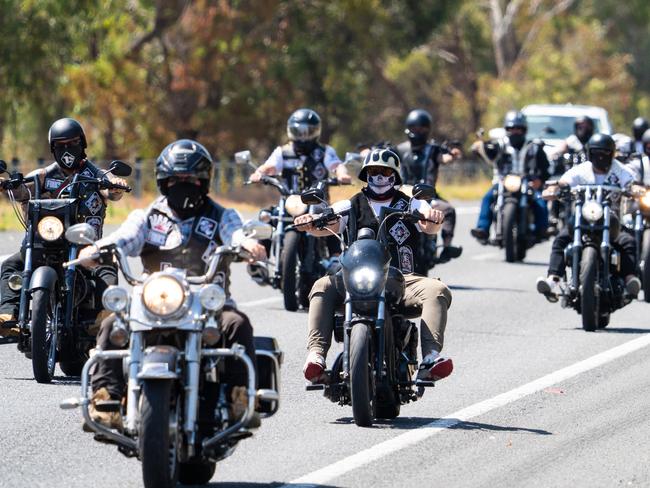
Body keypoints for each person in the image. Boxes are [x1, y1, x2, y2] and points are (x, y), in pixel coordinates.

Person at [77, 139, 267, 429]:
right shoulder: (147, 217)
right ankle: (106, 400)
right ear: (164, 182)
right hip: (154, 303)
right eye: (175, 179)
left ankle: (239, 398)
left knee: (237, 324)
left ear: (203, 181)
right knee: (111, 325)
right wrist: (97, 248)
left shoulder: (221, 215)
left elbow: (235, 235)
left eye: (190, 178)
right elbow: (124, 238)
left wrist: (248, 244)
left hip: (206, 306)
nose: (183, 184)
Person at [293, 148, 454, 384]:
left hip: (401, 279)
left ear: (394, 175)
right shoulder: (350, 205)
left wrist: (434, 218)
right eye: (373, 171)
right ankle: (316, 356)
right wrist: (308, 222)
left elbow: (429, 224)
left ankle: (430, 357)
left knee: (437, 290)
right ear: (365, 174)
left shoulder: (410, 204)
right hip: (356, 278)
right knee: (320, 287)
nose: (379, 176)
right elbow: (326, 224)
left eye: (384, 171)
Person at [0, 117, 128, 337]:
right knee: (11, 265)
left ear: (83, 144)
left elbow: (112, 192)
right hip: (47, 243)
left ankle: (102, 319)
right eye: (61, 145)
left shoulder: (97, 177)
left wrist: (117, 185)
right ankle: (8, 315)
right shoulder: (42, 176)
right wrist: (5, 184)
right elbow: (22, 191)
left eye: (72, 143)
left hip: (84, 248)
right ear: (53, 148)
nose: (67, 149)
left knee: (107, 265)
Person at [536, 133, 641, 300]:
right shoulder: (581, 170)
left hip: (611, 219)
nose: (601, 156)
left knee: (628, 241)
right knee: (561, 239)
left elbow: (632, 182)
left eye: (605, 153)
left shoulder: (620, 170)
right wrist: (556, 189)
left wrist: (635, 189)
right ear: (590, 153)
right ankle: (553, 279)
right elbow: (564, 182)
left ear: (612, 153)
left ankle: (630, 280)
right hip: (582, 218)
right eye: (597, 152)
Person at [250, 108, 350, 260]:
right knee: (267, 216)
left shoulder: (324, 151)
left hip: (317, 202)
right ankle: (259, 256)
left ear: (315, 131)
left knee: (330, 216)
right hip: (290, 201)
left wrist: (342, 174)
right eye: (298, 131)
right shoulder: (283, 151)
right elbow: (270, 166)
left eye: (307, 132)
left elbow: (336, 165)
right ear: (291, 131)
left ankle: (335, 257)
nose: (302, 136)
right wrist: (259, 172)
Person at [471, 111, 550, 243]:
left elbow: (545, 168)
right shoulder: (499, 145)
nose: (515, 132)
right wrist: (480, 146)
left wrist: (539, 180)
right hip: (503, 182)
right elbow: (486, 152)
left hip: (527, 183)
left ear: (524, 130)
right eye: (511, 129)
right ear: (506, 129)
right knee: (487, 198)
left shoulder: (533, 147)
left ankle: (542, 230)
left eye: (519, 129)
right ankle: (483, 229)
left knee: (540, 201)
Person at [395, 109, 462, 263]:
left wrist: (452, 155)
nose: (418, 131)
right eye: (414, 128)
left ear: (428, 129)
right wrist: (368, 152)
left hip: (429, 197)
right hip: (404, 195)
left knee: (449, 210)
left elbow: (444, 158)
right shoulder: (399, 149)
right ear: (408, 128)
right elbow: (384, 158)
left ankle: (446, 247)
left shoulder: (433, 150)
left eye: (422, 128)